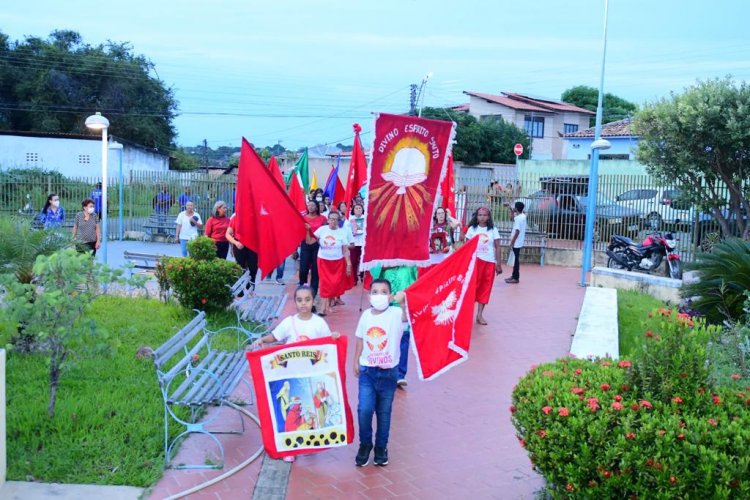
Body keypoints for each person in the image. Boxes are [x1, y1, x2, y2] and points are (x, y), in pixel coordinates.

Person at [249, 285, 340, 463]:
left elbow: (328, 343)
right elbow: (275, 337)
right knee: (292, 415)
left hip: (311, 377)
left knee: (309, 412)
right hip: (292, 377)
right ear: (295, 302)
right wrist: (262, 340)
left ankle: (308, 443)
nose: (303, 303)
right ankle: (291, 448)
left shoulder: (319, 323)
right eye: (299, 300)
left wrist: (335, 337)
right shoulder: (289, 322)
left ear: (313, 301)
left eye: (307, 300)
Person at [353, 278, 407, 467]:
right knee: (364, 410)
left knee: (384, 413)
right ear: (369, 296)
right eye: (375, 292)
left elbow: (408, 318)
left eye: (384, 292)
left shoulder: (396, 313)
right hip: (367, 371)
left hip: (388, 373)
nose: (379, 296)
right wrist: (356, 360)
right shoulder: (366, 315)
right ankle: (365, 443)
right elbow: (360, 338)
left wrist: (402, 302)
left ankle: (381, 447)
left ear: (390, 295)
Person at [464, 207, 502, 325]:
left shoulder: (493, 230)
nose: (482, 217)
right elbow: (466, 247)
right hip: (475, 262)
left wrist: (498, 264)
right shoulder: (472, 229)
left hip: (489, 262)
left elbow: (498, 247)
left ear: (489, 217)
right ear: (476, 216)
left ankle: (480, 315)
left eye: (485, 215)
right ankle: (467, 313)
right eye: (480, 215)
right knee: (472, 288)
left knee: (485, 288)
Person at [314, 210, 353, 316]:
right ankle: (322, 308)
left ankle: (329, 304)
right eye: (331, 219)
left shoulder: (342, 232)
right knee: (324, 283)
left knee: (334, 284)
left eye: (336, 219)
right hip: (323, 260)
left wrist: (348, 265)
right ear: (328, 220)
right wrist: (307, 231)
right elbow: (311, 240)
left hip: (337, 262)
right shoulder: (322, 230)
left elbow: (345, 250)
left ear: (338, 221)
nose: (333, 221)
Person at [298, 200, 328, 297]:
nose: (310, 207)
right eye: (309, 205)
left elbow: (326, 232)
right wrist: (295, 249)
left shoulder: (323, 219)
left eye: (313, 205)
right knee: (303, 269)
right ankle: (303, 288)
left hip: (317, 246)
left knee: (315, 270)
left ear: (317, 207)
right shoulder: (303, 218)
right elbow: (297, 232)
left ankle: (313, 292)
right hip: (305, 245)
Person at [226, 213, 259, 285]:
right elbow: (227, 234)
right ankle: (241, 290)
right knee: (240, 268)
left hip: (252, 245)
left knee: (253, 268)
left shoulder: (255, 218)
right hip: (239, 245)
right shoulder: (235, 218)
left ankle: (251, 288)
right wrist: (235, 243)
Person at [506, 201, 527, 284]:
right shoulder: (522, 216)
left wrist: (512, 242)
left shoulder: (519, 218)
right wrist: (511, 210)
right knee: (515, 259)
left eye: (514, 207)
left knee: (515, 261)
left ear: (517, 208)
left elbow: (517, 231)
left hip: (516, 242)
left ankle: (515, 277)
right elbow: (512, 218)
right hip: (519, 241)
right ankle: (514, 275)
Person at [349, 204, 366, 285]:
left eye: (360, 208)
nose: (358, 209)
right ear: (353, 210)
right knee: (353, 261)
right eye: (356, 208)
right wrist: (350, 233)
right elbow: (347, 231)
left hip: (363, 243)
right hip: (354, 243)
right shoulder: (350, 219)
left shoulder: (366, 218)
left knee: (363, 261)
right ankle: (354, 279)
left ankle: (363, 276)